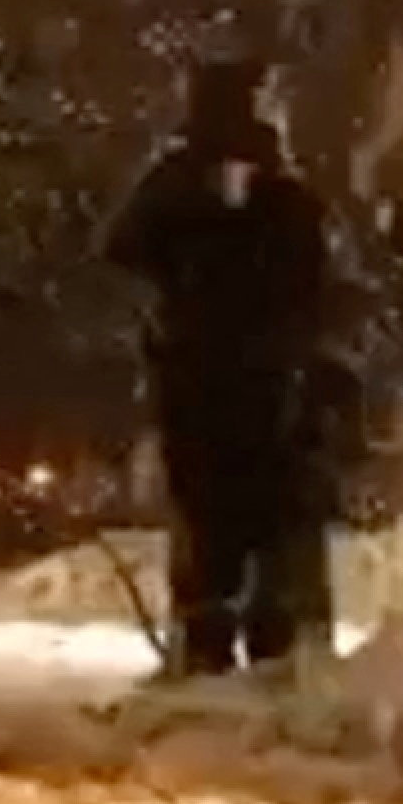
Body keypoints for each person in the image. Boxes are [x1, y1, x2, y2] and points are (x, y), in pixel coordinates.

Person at [103, 56, 336, 678]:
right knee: (275, 530)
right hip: (274, 389)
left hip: (196, 384)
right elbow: (319, 281)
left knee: (207, 530)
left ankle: (204, 651)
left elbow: (120, 252)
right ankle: (276, 654)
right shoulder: (286, 192)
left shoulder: (173, 186)